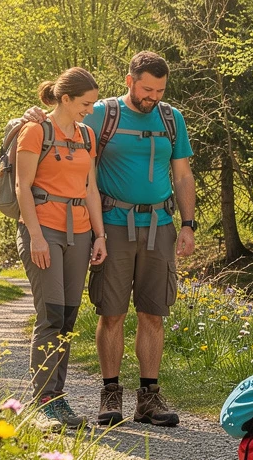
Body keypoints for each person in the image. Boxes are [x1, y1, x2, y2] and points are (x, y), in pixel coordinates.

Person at [26, 51, 196, 428]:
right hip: (113, 224)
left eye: (160, 90)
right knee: (111, 312)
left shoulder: (172, 118)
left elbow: (182, 174)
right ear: (129, 80)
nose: (153, 96)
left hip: (160, 225)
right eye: (147, 88)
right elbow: (62, 121)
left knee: (154, 314)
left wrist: (188, 223)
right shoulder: (103, 113)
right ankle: (110, 393)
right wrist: (33, 116)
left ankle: (149, 398)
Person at [15, 67, 106, 429]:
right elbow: (23, 187)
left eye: (94, 103)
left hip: (80, 232)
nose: (90, 109)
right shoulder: (35, 130)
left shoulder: (86, 135)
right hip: (43, 229)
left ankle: (58, 397)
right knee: (51, 314)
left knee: (67, 317)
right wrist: (35, 236)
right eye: (86, 103)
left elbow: (90, 189)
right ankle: (43, 402)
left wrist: (99, 236)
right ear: (65, 99)